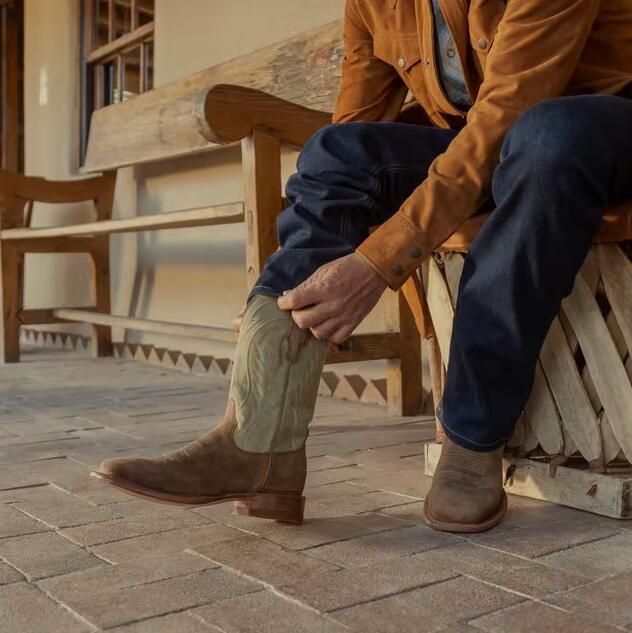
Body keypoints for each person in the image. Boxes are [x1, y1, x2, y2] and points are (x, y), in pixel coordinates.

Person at [93, 0, 632, 533]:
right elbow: (353, 130)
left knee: (548, 133)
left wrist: (380, 265)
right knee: (335, 151)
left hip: (596, 133)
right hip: (495, 150)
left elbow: (505, 116)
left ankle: (472, 437)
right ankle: (261, 441)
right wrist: (292, 277)